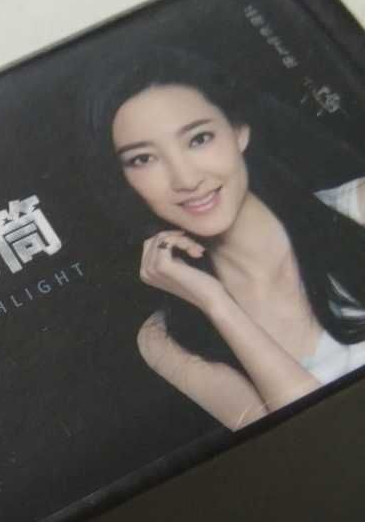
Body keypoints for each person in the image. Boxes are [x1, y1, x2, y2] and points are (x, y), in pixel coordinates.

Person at [85, 46, 365, 431]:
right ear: (125, 179)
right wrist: (217, 304)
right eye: (143, 159)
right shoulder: (165, 338)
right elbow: (319, 436)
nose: (185, 179)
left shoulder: (357, 209)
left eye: (199, 138)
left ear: (238, 131)